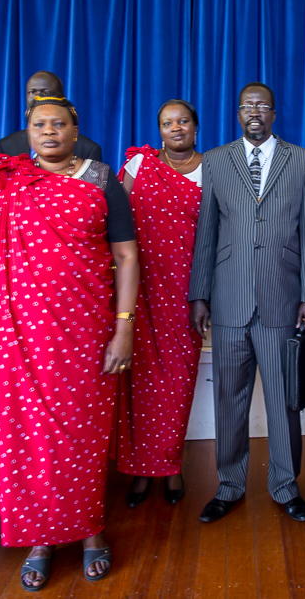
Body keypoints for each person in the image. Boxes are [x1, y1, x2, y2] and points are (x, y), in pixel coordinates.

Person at [0, 95, 138, 591]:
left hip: (86, 334)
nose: (49, 132)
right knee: (30, 439)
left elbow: (126, 257)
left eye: (59, 124)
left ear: (75, 129)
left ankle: (89, 531)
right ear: (28, 131)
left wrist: (124, 326)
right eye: (40, 125)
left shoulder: (103, 181)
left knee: (81, 436)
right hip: (22, 338)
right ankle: (40, 536)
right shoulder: (10, 183)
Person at [188, 82, 305, 524]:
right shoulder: (217, 161)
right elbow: (207, 231)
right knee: (229, 397)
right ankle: (230, 484)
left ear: (276, 113)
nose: (255, 112)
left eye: (263, 104)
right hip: (228, 298)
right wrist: (199, 293)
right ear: (237, 113)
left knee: (284, 399)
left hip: (282, 297)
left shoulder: (301, 161)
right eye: (247, 105)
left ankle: (285, 486)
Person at [115, 99, 203, 507]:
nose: (176, 127)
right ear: (160, 129)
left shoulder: (212, 169)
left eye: (183, 120)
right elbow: (114, 222)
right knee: (139, 380)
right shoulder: (138, 167)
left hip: (185, 290)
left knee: (177, 383)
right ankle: (137, 471)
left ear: (196, 126)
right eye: (167, 122)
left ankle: (171, 465)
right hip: (141, 288)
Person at [0, 71, 102, 161]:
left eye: (45, 92)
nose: (38, 97)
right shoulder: (5, 147)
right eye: (32, 92)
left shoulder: (89, 150)